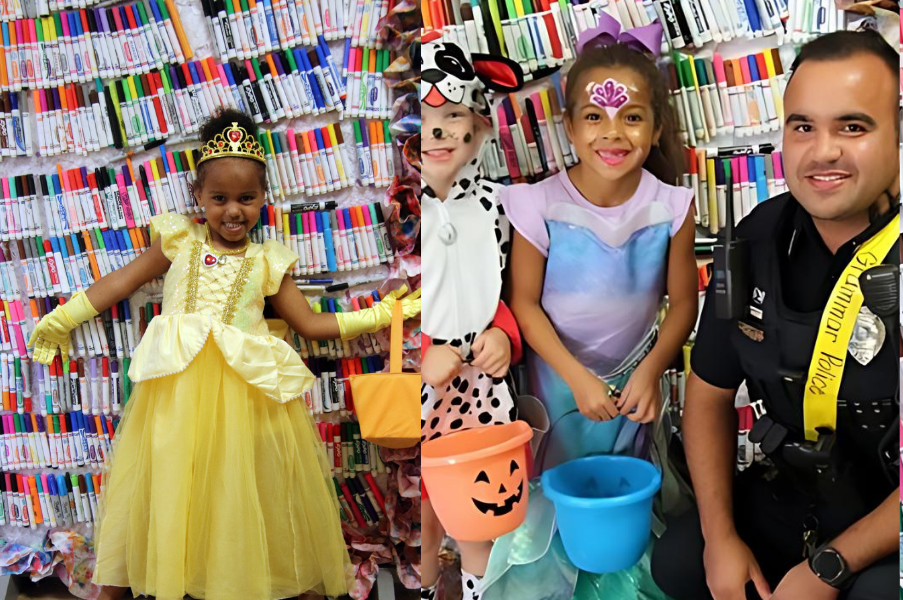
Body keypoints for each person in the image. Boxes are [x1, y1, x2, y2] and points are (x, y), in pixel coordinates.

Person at [23, 109, 422, 600]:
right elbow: (118, 283)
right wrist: (62, 318)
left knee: (248, 498)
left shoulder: (267, 259)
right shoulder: (178, 242)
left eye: (247, 199)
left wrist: (382, 314)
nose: (233, 211)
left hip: (246, 403)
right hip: (175, 398)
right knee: (165, 491)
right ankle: (118, 587)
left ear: (263, 200)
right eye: (219, 198)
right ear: (198, 197)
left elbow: (311, 324)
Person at [650, 30, 901, 600]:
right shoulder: (757, 237)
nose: (824, 150)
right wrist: (720, 540)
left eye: (853, 127)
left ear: (901, 134)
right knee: (681, 560)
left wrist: (828, 570)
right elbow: (709, 394)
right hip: (801, 491)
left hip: (900, 515)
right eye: (803, 126)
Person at [471, 11, 697, 599]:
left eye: (632, 116)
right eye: (594, 117)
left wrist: (649, 372)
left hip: (634, 391)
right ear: (569, 128)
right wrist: (576, 377)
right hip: (557, 385)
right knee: (558, 500)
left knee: (623, 506)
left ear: (653, 125)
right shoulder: (539, 203)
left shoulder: (670, 205)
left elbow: (682, 306)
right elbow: (523, 303)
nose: (612, 133)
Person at [412, 28, 527, 600]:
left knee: (486, 504)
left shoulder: (500, 204)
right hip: (435, 384)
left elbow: (515, 288)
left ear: (479, 129)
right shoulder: (412, 212)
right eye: (430, 120)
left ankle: (484, 587)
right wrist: (425, 348)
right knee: (439, 503)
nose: (440, 133)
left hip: (488, 384)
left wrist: (504, 334)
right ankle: (441, 583)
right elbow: (414, 294)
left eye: (454, 117)